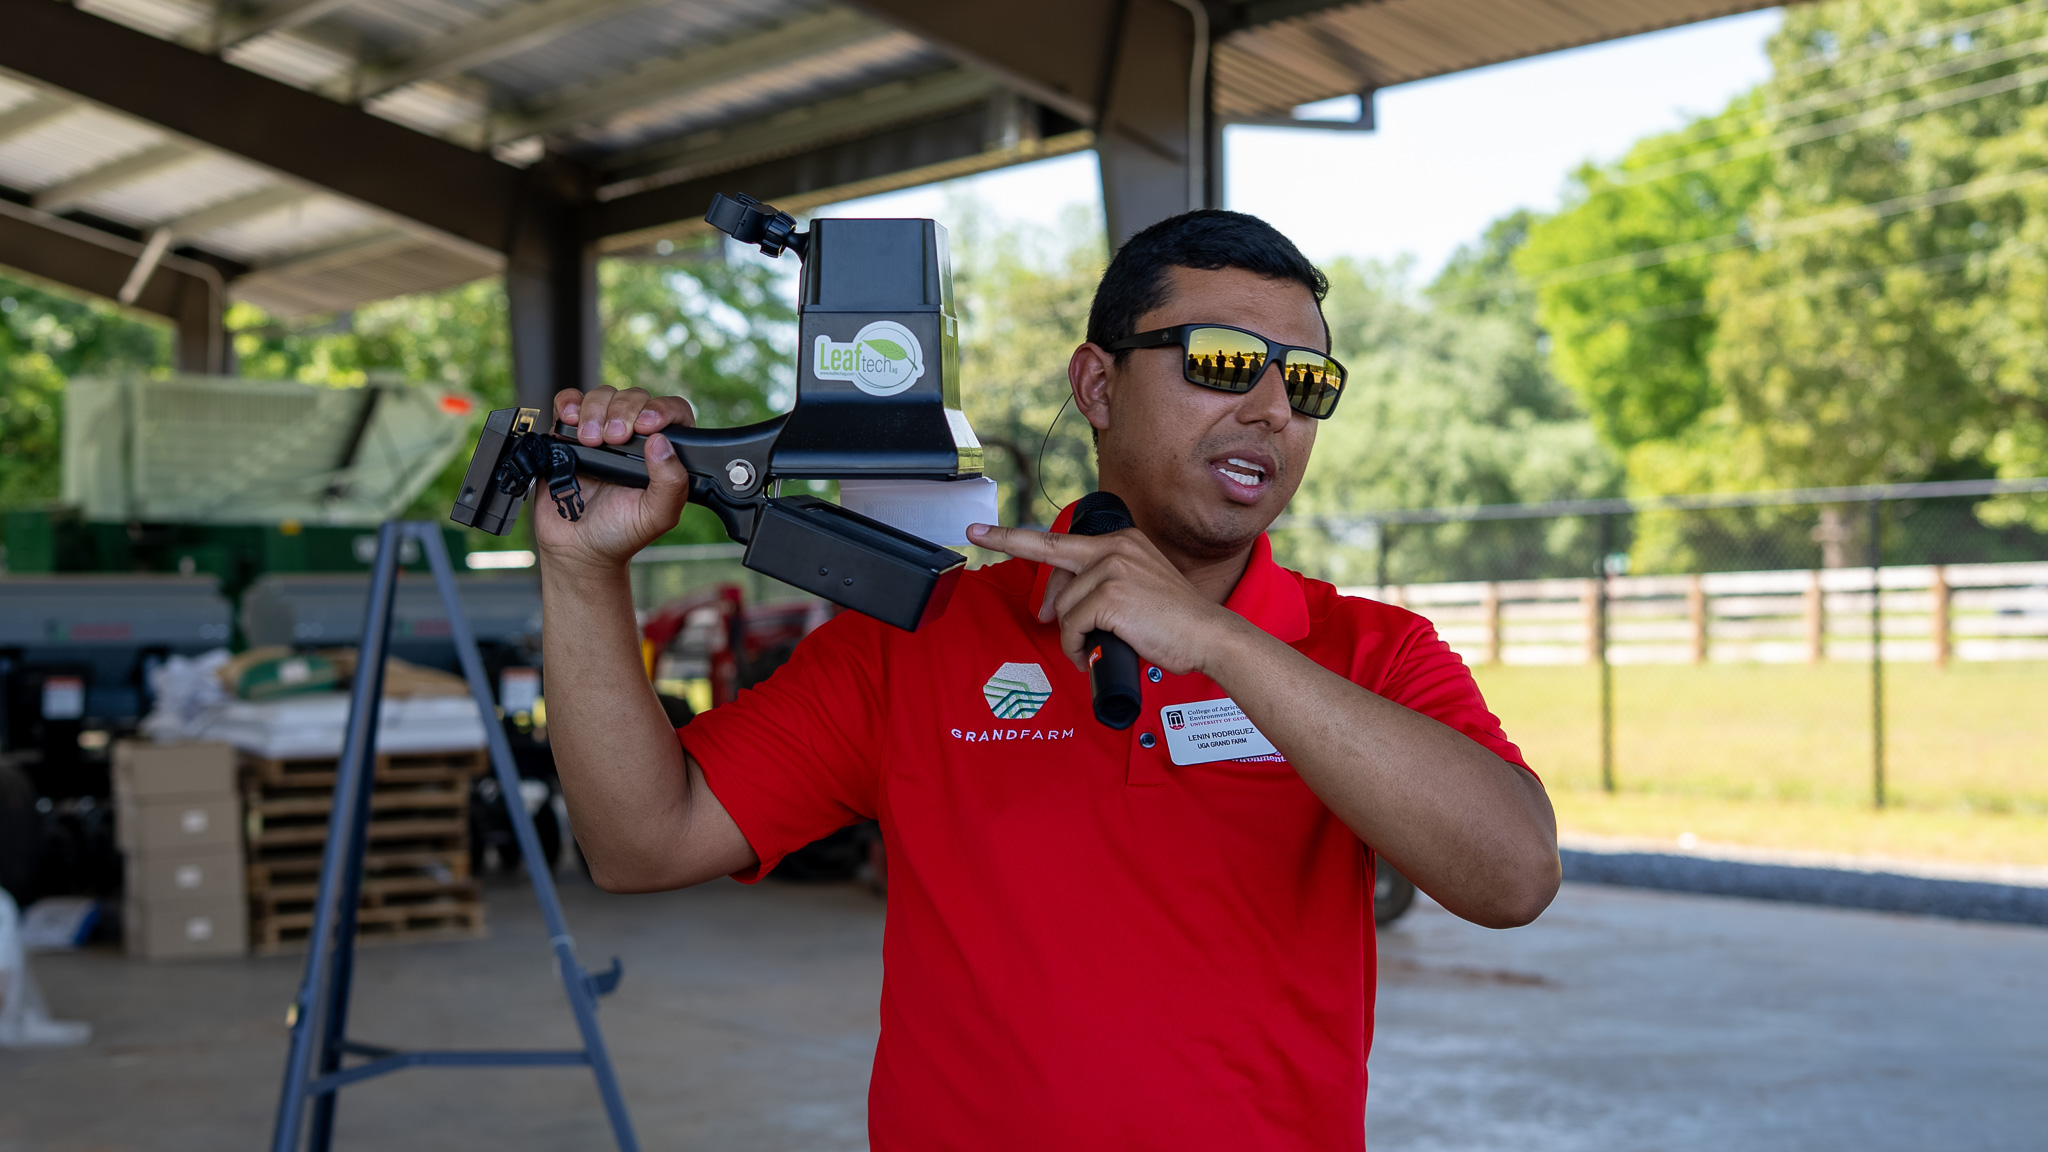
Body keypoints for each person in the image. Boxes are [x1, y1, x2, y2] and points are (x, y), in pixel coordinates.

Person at [536, 209, 1559, 1151]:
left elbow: (1513, 879)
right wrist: (584, 571)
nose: (1270, 411)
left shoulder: (1371, 653)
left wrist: (1223, 645)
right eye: (1222, 362)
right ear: (1097, 385)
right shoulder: (920, 636)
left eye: (1307, 384)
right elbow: (640, 843)